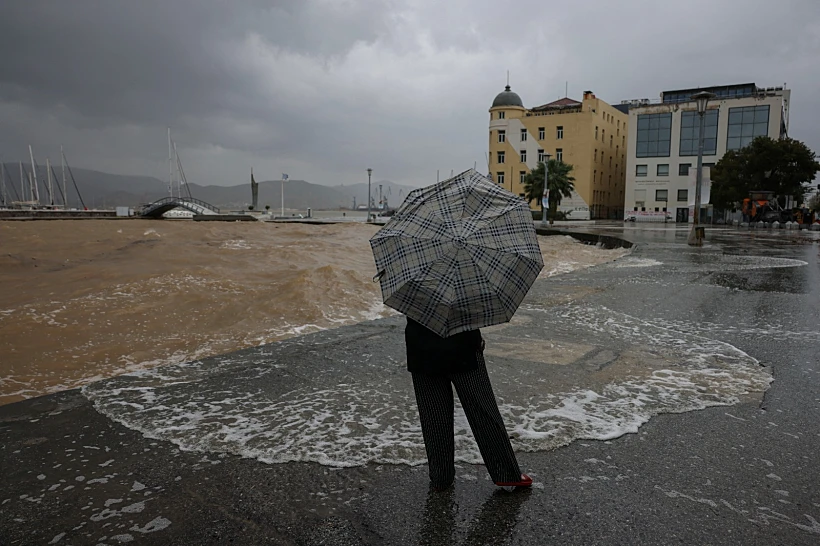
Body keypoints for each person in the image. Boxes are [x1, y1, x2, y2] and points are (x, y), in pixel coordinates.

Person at [405, 316, 532, 491]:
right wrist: (477, 340)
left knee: (433, 415)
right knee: (483, 409)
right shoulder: (462, 287)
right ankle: (506, 474)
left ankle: (441, 476)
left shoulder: (412, 288)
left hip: (420, 346)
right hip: (461, 345)